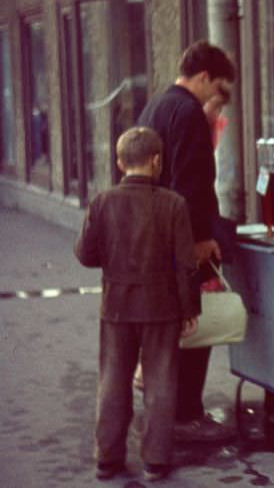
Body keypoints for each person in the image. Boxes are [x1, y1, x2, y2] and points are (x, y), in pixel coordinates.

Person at [74, 127, 199, 482]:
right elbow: (186, 264)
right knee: (160, 383)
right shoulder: (173, 204)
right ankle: (156, 459)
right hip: (162, 306)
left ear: (119, 162)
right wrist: (190, 308)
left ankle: (107, 457)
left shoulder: (102, 201)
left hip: (116, 305)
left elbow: (85, 254)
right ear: (157, 161)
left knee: (113, 379)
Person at [137, 40, 235, 442]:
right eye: (219, 89)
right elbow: (193, 183)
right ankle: (183, 414)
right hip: (180, 241)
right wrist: (199, 238)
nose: (219, 100)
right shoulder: (189, 112)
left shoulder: (154, 106)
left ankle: (164, 413)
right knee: (192, 325)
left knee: (166, 330)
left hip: (152, 235)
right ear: (203, 77)